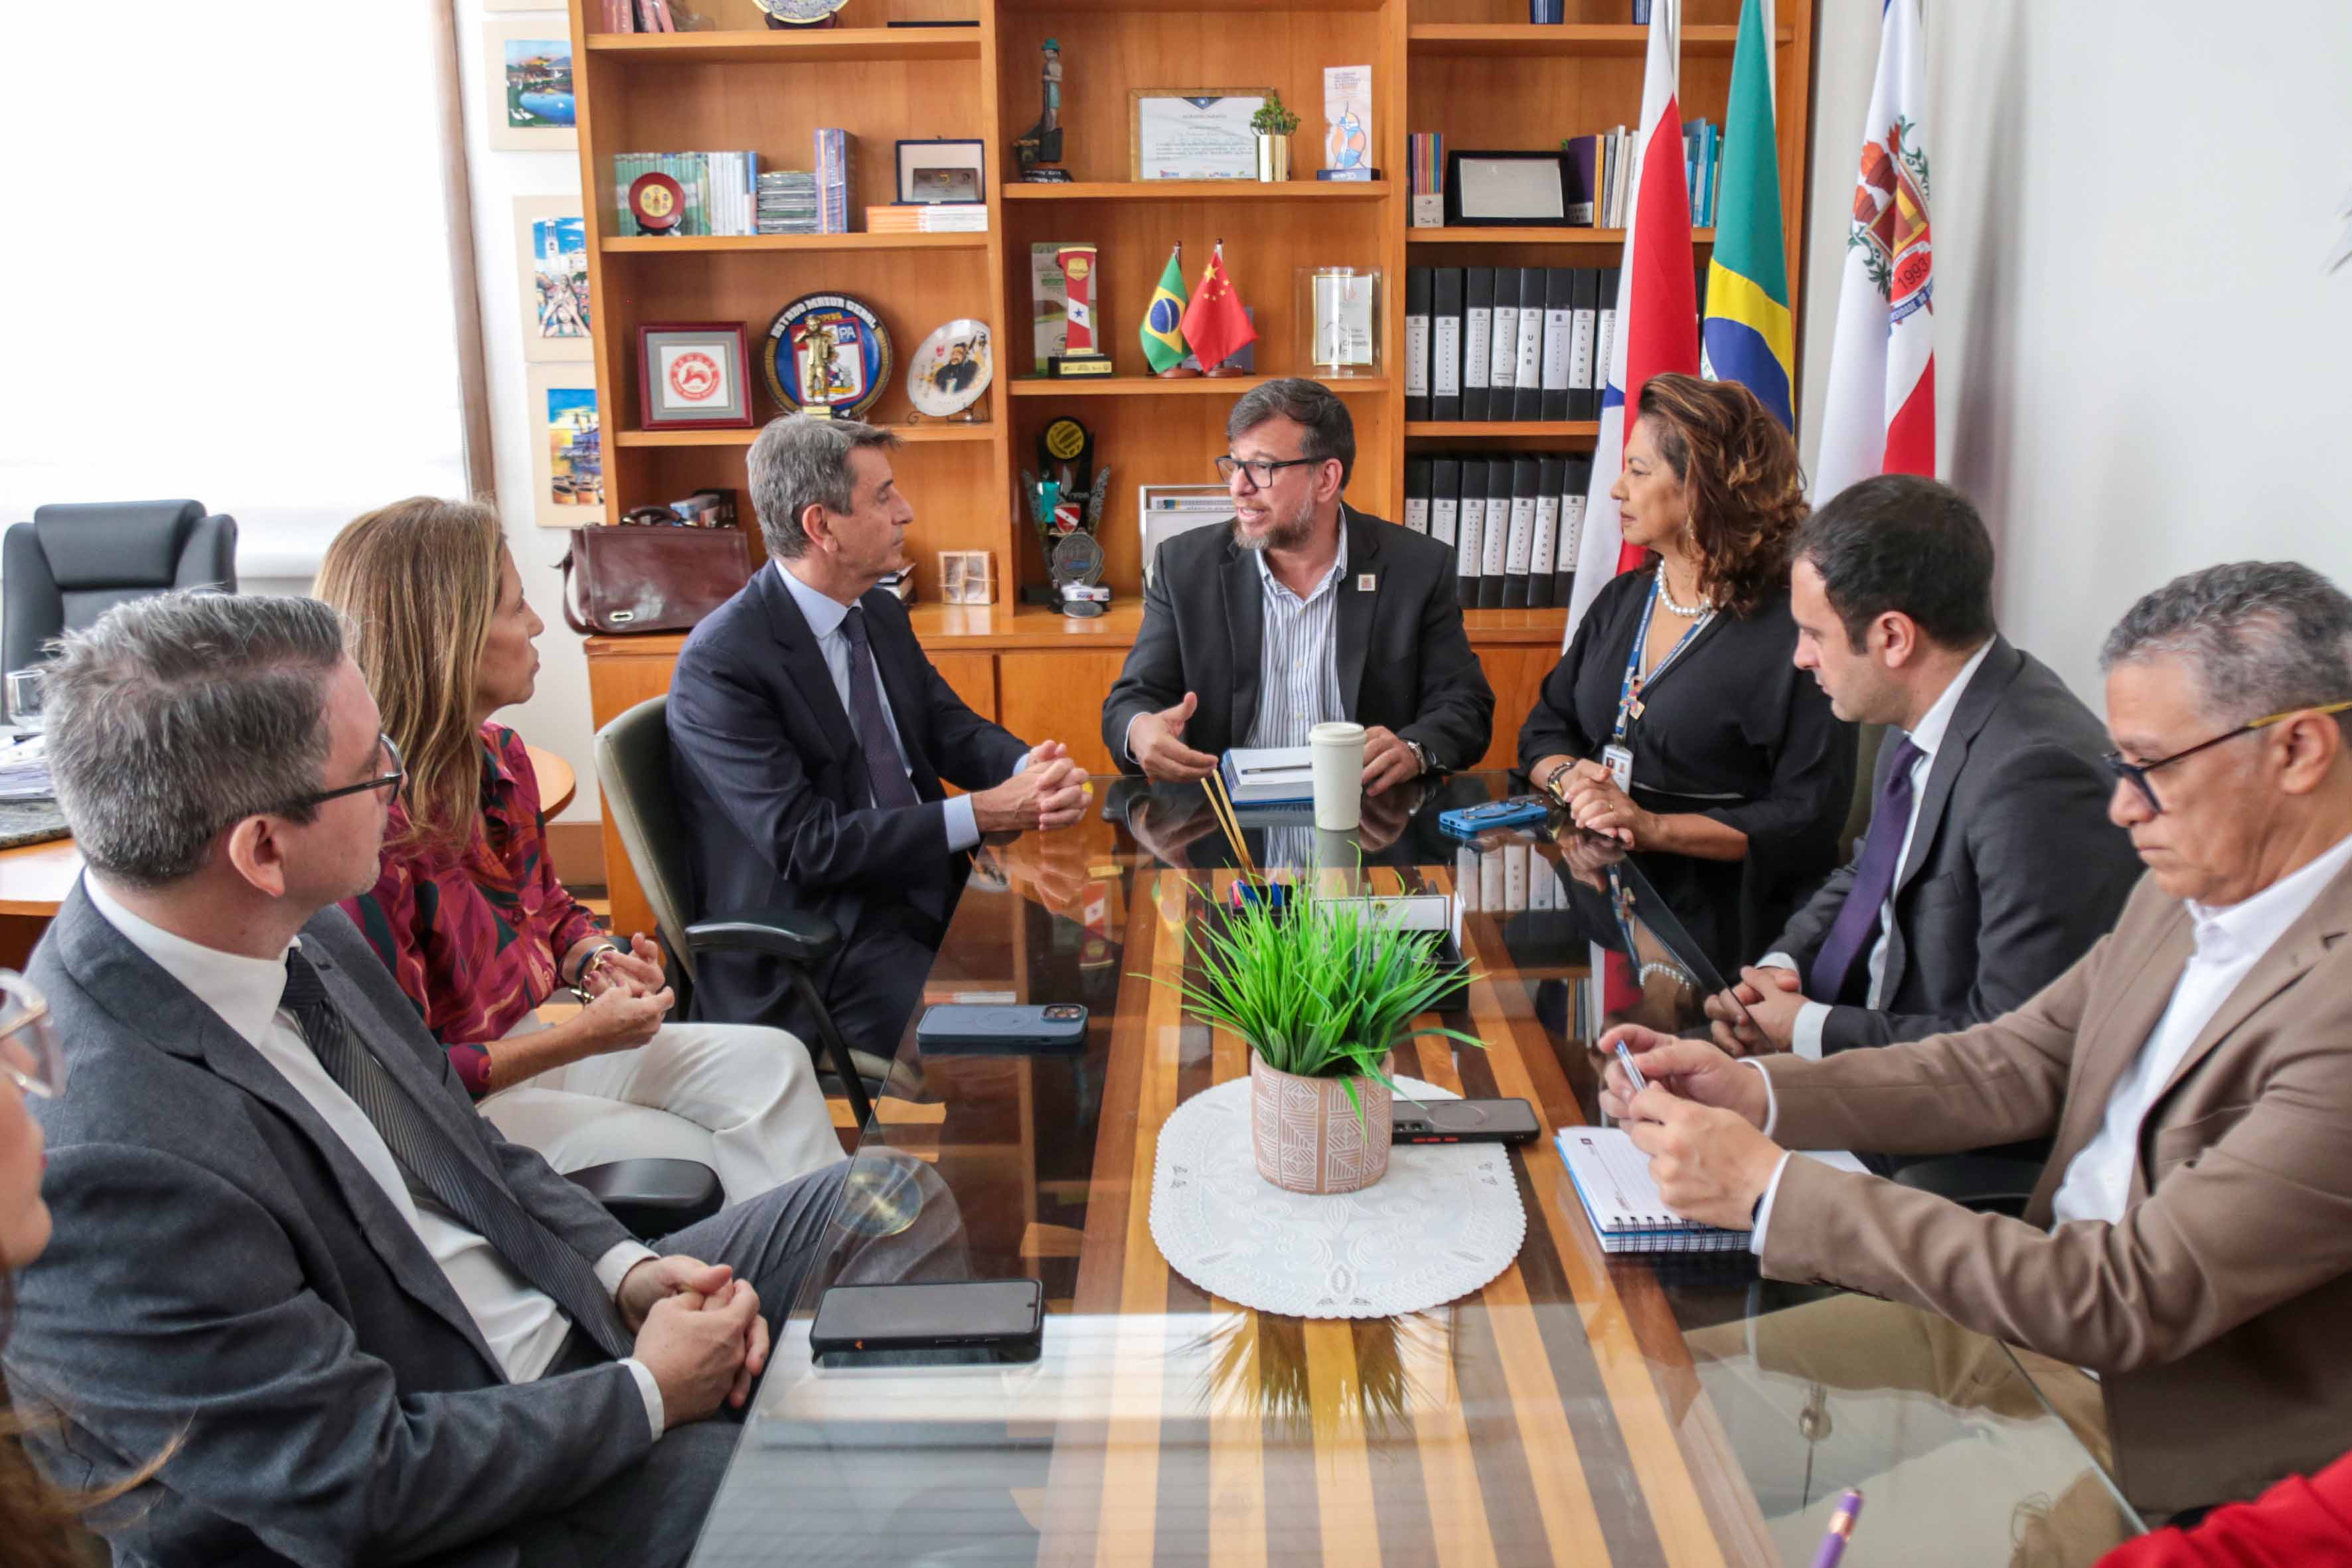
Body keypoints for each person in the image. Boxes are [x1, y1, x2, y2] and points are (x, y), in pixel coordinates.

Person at [3, 592, 965, 1565]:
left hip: (563, 1331)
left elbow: (472, 1151)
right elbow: (354, 1482)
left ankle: (910, 1512)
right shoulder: (105, 1142)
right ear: (261, 847)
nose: (398, 780)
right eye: (372, 766)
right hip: (471, 1488)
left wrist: (624, 1270)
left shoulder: (303, 928)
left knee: (886, 1197)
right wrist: (647, 1393)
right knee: (799, 1498)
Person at [1601, 560, 2352, 1518]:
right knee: (1644, 1404)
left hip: (2165, 1443)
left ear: (2295, 750)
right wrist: (1762, 1093)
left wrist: (1774, 1186)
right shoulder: (2191, 882)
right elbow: (2013, 1058)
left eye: (2148, 767)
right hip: (2020, 1329)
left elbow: (2130, 1296)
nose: (2121, 807)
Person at [319, 499, 839, 1202]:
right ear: (449, 636)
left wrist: (596, 960)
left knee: (777, 1060)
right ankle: (765, 1287)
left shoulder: (502, 759)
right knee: (699, 1160)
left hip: (533, 1047)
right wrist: (583, 1037)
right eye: (515, 607)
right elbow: (408, 1076)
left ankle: (821, 1278)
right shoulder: (368, 832)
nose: (538, 623)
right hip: (453, 1112)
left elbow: (553, 910)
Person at [669, 415, 1089, 1055]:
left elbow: (947, 727)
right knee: (1011, 1052)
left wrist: (1026, 767)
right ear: (821, 526)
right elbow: (805, 845)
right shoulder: (722, 662)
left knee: (1085, 968)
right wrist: (982, 810)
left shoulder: (878, 609)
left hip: (921, 889)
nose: (906, 512)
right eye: (884, 495)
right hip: (821, 942)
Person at [1705, 474, 2140, 1057]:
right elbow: (1868, 876)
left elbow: (2012, 1051)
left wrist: (1807, 1030)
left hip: (1940, 1129)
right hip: (1859, 1065)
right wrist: (1779, 974)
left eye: (1813, 634)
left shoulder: (2035, 780)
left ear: (1892, 637)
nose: (1800, 657)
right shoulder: (1927, 707)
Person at [1518, 372, 1853, 971]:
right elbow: (1545, 727)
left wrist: (1653, 828)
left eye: (1639, 471)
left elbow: (1806, 819)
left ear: (1702, 485)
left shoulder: (1797, 630)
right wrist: (1570, 779)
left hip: (1734, 927)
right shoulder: (1624, 598)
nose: (1617, 490)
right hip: (1606, 892)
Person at [1101, 376, 1494, 793]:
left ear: (1326, 479)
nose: (1238, 487)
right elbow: (1132, 700)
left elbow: (1465, 706)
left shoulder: (1416, 567)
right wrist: (1141, 731)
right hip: (1227, 833)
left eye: (1262, 467)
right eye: (1234, 464)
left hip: (1368, 823)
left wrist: (1414, 750)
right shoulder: (1184, 566)